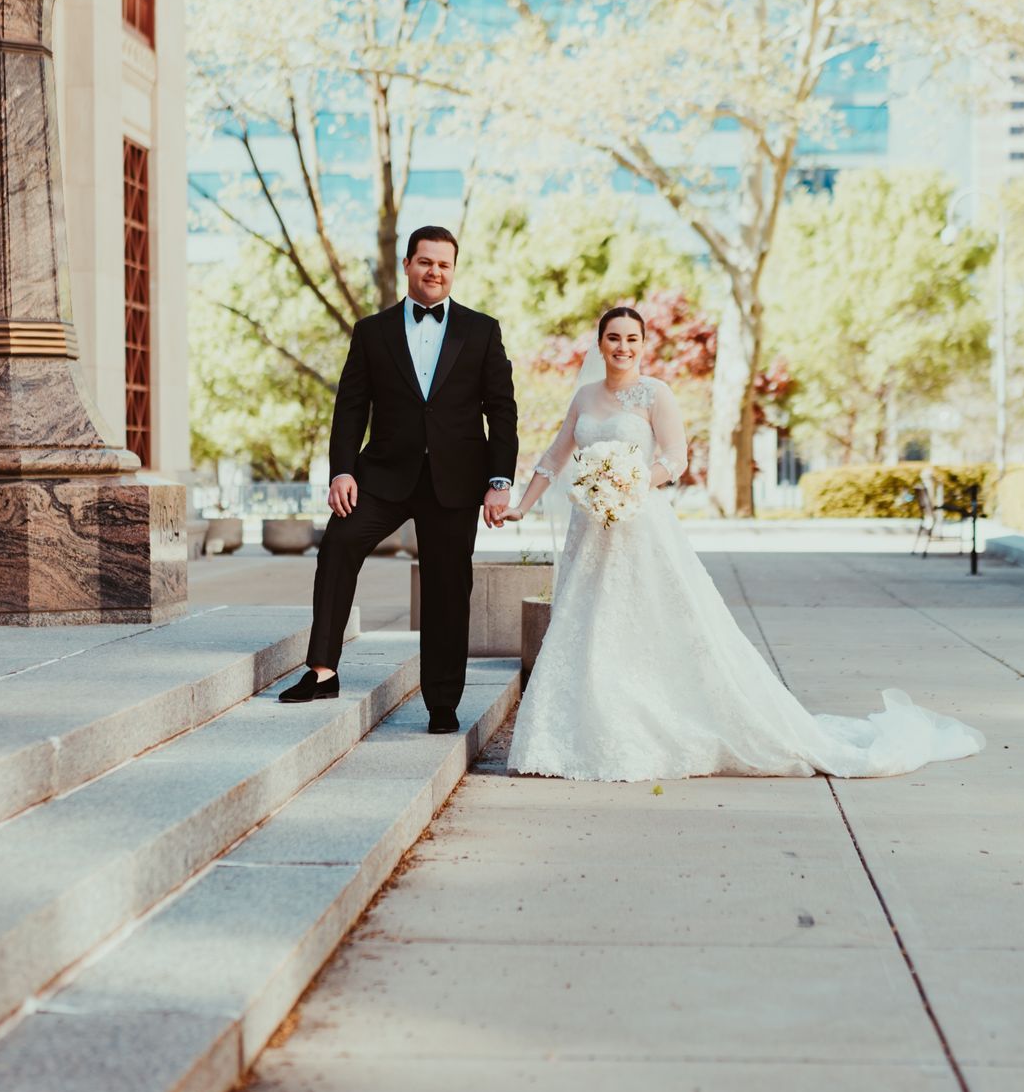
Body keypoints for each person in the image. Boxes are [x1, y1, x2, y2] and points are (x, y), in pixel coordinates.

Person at [501, 305, 983, 781]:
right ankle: (580, 732)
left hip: (640, 526)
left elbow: (676, 459)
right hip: (590, 534)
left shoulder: (656, 394)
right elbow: (554, 457)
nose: (623, 347)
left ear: (644, 344)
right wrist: (523, 504)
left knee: (647, 624)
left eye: (632, 339)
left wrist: (631, 482)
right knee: (587, 625)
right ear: (599, 342)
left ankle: (650, 725)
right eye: (614, 338)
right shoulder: (584, 397)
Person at [278, 226, 519, 734]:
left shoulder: (482, 331)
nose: (435, 271)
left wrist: (499, 481)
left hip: (456, 480)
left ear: (454, 270)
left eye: (444, 264)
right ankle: (322, 671)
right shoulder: (372, 331)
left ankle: (443, 703)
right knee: (339, 545)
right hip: (383, 475)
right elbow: (350, 408)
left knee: (447, 588)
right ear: (408, 264)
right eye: (425, 261)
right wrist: (342, 469)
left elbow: (502, 411)